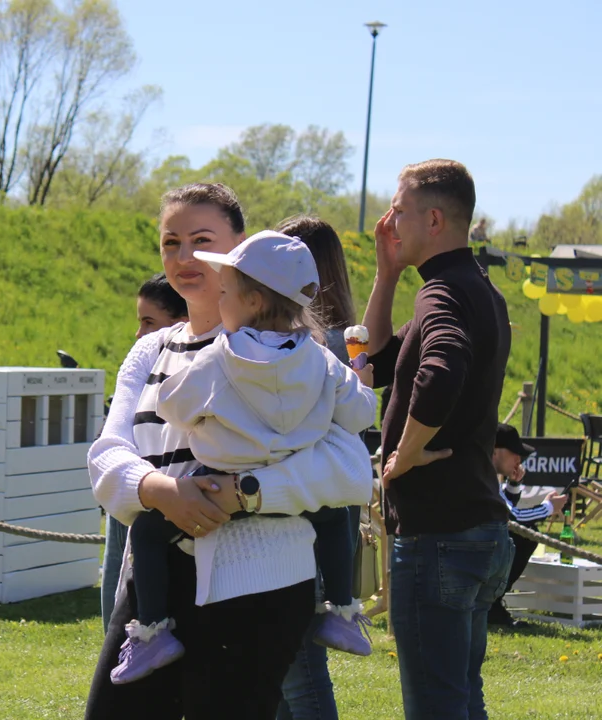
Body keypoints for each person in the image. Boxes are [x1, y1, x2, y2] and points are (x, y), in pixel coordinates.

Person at [86, 183, 373, 719]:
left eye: (202, 241)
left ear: (238, 248)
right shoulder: (150, 347)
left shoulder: (291, 353)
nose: (184, 258)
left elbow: (346, 466)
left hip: (259, 581)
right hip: (154, 581)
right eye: (171, 243)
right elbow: (107, 453)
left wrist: (243, 494)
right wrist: (160, 490)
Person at [363, 159, 514, 719]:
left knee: (436, 708)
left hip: (440, 537)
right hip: (477, 532)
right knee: (460, 701)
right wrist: (387, 273)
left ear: (432, 219)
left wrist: (403, 451)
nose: (388, 223)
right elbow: (374, 364)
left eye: (398, 211)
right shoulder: (476, 290)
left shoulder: (443, 295)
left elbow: (442, 368)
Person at [274, 215, 366, 720]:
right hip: (330, 520)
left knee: (299, 674)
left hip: (292, 519)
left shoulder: (296, 347)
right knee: (283, 679)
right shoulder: (346, 345)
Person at [102, 273, 188, 633]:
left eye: (148, 322)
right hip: (133, 489)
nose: (139, 334)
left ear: (181, 325)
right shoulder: (141, 367)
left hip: (169, 501)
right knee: (116, 596)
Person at [487, 423, 568, 627]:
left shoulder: (486, 471)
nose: (519, 459)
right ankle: (491, 604)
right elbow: (512, 519)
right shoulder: (483, 474)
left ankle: (492, 602)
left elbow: (501, 508)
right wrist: (549, 507)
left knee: (526, 535)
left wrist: (513, 485)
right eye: (515, 453)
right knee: (525, 536)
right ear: (495, 451)